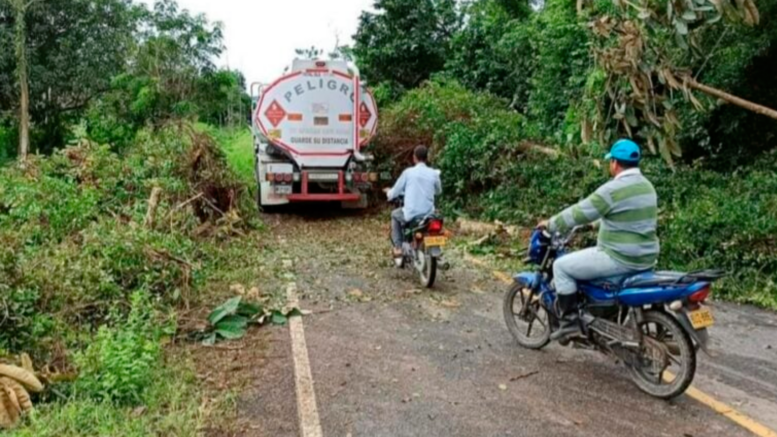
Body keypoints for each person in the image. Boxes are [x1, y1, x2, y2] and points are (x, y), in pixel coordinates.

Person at [538, 139, 659, 341]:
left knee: (561, 267)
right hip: (646, 259)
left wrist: (551, 223)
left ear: (614, 163)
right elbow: (628, 217)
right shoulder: (647, 187)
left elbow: (580, 212)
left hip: (619, 258)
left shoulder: (612, 190)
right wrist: (596, 224)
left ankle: (570, 324)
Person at [385, 146, 442, 259]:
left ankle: (398, 247)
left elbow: (395, 191)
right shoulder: (434, 174)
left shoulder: (408, 173)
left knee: (395, 215)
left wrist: (388, 193)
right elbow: (439, 191)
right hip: (429, 214)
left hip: (411, 214)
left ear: (414, 158)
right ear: (427, 158)